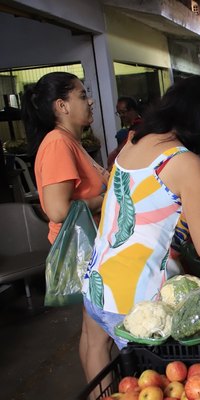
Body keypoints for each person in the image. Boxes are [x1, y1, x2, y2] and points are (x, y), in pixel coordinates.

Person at [81, 75, 200, 384]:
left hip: (98, 279)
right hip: (141, 297)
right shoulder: (185, 162)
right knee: (153, 381)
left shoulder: (133, 141)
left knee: (96, 349)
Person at [20, 72, 109, 384]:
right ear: (62, 105)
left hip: (90, 248)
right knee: (101, 336)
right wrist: (105, 197)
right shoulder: (58, 144)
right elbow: (57, 210)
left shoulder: (70, 141)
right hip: (84, 253)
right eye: (82, 95)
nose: (90, 101)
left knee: (92, 330)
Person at [107, 96, 142, 169]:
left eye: (123, 112)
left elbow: (122, 150)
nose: (121, 116)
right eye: (119, 113)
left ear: (132, 110)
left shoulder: (139, 127)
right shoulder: (130, 127)